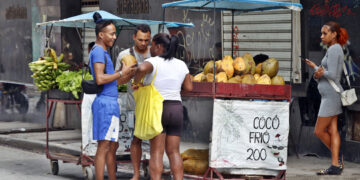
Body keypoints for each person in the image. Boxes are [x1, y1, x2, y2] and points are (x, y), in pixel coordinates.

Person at [134, 33, 193, 180]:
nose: (149, 48)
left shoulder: (153, 61)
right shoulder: (181, 64)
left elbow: (141, 68)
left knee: (156, 152)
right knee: (174, 152)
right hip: (176, 108)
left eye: (151, 45)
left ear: (158, 46)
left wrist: (136, 83)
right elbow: (189, 87)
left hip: (158, 108)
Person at [89, 12, 136, 180]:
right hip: (105, 105)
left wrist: (125, 75)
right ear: (101, 35)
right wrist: (121, 73)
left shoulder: (102, 52)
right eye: (111, 33)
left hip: (109, 102)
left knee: (110, 146)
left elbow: (111, 81)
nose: (114, 37)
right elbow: (100, 79)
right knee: (104, 147)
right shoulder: (98, 52)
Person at [305, 21, 348, 175]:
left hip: (331, 97)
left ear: (334, 34)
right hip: (329, 95)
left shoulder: (335, 49)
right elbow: (325, 74)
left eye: (325, 33)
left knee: (318, 131)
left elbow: (333, 75)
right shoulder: (333, 48)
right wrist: (318, 74)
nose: (321, 36)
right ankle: (335, 165)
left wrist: (314, 67)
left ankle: (337, 158)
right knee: (332, 129)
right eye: (321, 33)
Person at [115, 24, 151, 180]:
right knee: (135, 140)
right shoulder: (124, 55)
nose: (143, 43)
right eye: (141, 40)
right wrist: (128, 73)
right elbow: (117, 80)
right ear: (134, 37)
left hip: (151, 105)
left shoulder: (155, 54)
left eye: (147, 40)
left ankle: (151, 168)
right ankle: (136, 174)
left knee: (155, 141)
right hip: (132, 104)